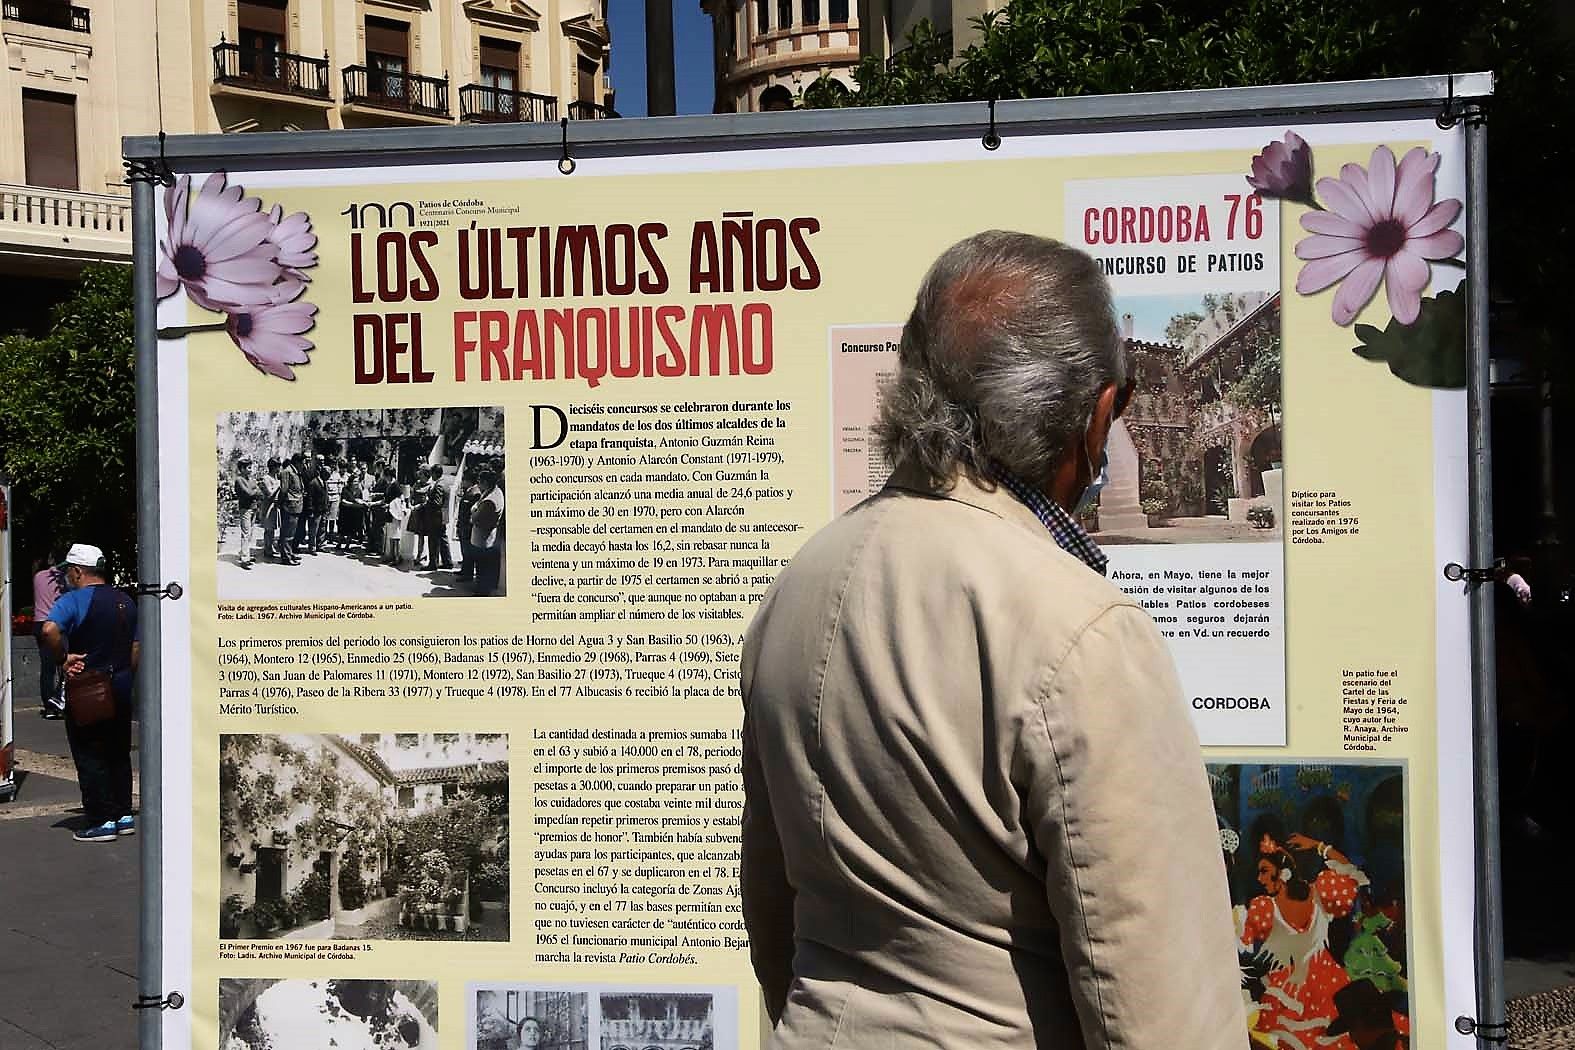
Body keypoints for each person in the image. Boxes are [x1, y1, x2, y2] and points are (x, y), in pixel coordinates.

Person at [738, 232, 1242, 1048]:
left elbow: (772, 907)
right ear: (1095, 410)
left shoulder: (802, 581)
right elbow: (1155, 993)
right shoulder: (1074, 622)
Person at [38, 544, 139, 843]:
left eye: (68, 570)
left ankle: (101, 820)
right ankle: (123, 814)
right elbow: (136, 647)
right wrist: (125, 675)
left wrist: (62, 658)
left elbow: (49, 630)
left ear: (78, 571)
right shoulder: (126, 601)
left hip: (88, 689)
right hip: (121, 684)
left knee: (90, 752)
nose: (67, 575)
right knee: (118, 751)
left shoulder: (74, 600)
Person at [1240, 834, 1371, 1048]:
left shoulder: (1320, 892)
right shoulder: (1264, 908)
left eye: (1264, 871)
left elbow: (1351, 874)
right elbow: (1241, 941)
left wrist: (1319, 846)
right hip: (1288, 988)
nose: (1259, 879)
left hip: (1326, 982)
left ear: (1283, 873)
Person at [31, 552, 66, 718]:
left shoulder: (37, 577)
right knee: (65, 663)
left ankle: (48, 705)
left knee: (47, 669)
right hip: (56, 622)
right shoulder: (61, 578)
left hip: (39, 623)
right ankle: (58, 699)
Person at [469, 467, 504, 595]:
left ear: (485, 482)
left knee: (482, 566)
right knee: (483, 565)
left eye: (479, 481)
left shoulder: (490, 499)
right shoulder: (492, 491)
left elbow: (476, 518)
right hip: (484, 536)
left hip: (483, 537)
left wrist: (473, 511)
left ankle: (482, 590)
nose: (478, 484)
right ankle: (481, 587)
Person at [417, 465, 453, 571]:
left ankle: (433, 563)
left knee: (433, 540)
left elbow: (437, 503)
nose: (430, 476)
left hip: (435, 516)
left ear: (435, 473)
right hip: (442, 515)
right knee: (443, 538)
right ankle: (447, 562)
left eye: (431, 473)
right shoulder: (445, 483)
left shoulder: (439, 485)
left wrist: (427, 502)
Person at [232, 458, 261, 568]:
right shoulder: (239, 480)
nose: (250, 470)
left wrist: (255, 491)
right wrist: (255, 491)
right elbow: (249, 493)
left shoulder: (250, 479)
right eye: (248, 468)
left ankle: (245, 553)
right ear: (242, 469)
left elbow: (257, 491)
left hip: (253, 508)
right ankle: (244, 559)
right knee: (246, 533)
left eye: (250, 467)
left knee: (250, 533)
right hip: (245, 509)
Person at [276, 454, 305, 563]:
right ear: (297, 462)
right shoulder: (287, 472)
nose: (304, 465)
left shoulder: (296, 472)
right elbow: (284, 490)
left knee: (291, 533)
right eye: (303, 462)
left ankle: (289, 553)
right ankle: (286, 557)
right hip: (290, 506)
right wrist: (281, 504)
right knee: (287, 533)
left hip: (296, 506)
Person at [259, 458, 282, 562]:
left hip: (275, 506)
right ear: (273, 467)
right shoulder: (266, 478)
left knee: (272, 528)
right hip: (268, 506)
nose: (279, 468)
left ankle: (270, 547)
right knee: (268, 529)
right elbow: (269, 494)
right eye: (278, 466)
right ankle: (267, 549)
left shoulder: (276, 477)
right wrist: (279, 487)